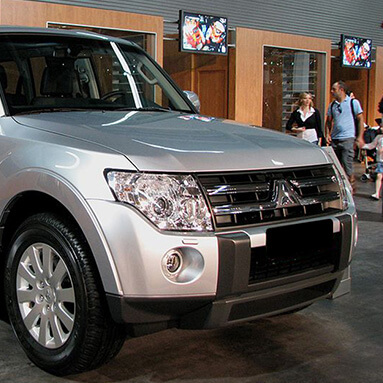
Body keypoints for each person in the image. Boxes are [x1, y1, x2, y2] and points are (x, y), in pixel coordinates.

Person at [325, 81, 365, 189]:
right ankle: (340, 187)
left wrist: (360, 136)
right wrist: (328, 134)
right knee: (336, 166)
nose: (332, 91)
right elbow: (328, 120)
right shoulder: (333, 105)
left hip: (347, 138)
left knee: (347, 164)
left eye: (334, 89)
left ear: (341, 90)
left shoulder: (353, 103)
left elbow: (360, 119)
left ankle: (350, 186)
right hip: (335, 139)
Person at [361, 127, 383, 200]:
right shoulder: (379, 137)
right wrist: (363, 145)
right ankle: (377, 193)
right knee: (379, 176)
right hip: (381, 161)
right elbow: (372, 145)